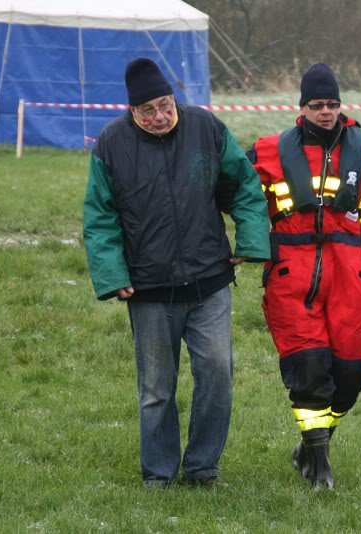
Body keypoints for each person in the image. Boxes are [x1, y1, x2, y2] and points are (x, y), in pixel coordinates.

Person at [83, 58, 270, 489]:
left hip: (210, 281)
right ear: (130, 112)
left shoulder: (207, 129)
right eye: (146, 110)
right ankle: (159, 473)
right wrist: (112, 275)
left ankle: (203, 468)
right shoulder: (111, 145)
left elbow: (243, 185)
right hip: (149, 289)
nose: (159, 116)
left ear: (175, 100)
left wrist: (252, 242)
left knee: (218, 375)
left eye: (165, 105)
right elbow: (100, 217)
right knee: (156, 389)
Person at [247, 63, 361, 490]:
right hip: (290, 277)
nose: (326, 112)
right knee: (309, 370)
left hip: (353, 279)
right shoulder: (266, 153)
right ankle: (319, 463)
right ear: (302, 108)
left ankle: (312, 443)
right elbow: (237, 200)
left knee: (352, 375)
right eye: (317, 104)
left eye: (333, 104)